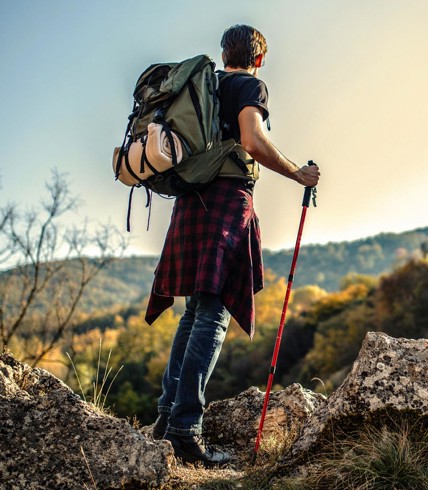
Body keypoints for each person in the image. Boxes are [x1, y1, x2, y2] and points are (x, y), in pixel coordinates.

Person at [144, 24, 320, 466]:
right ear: (258, 58)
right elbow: (252, 140)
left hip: (190, 201)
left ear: (225, 54)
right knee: (213, 314)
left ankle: (167, 417)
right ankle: (185, 429)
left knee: (195, 312)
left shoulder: (205, 86)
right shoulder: (250, 86)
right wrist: (297, 173)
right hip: (225, 201)